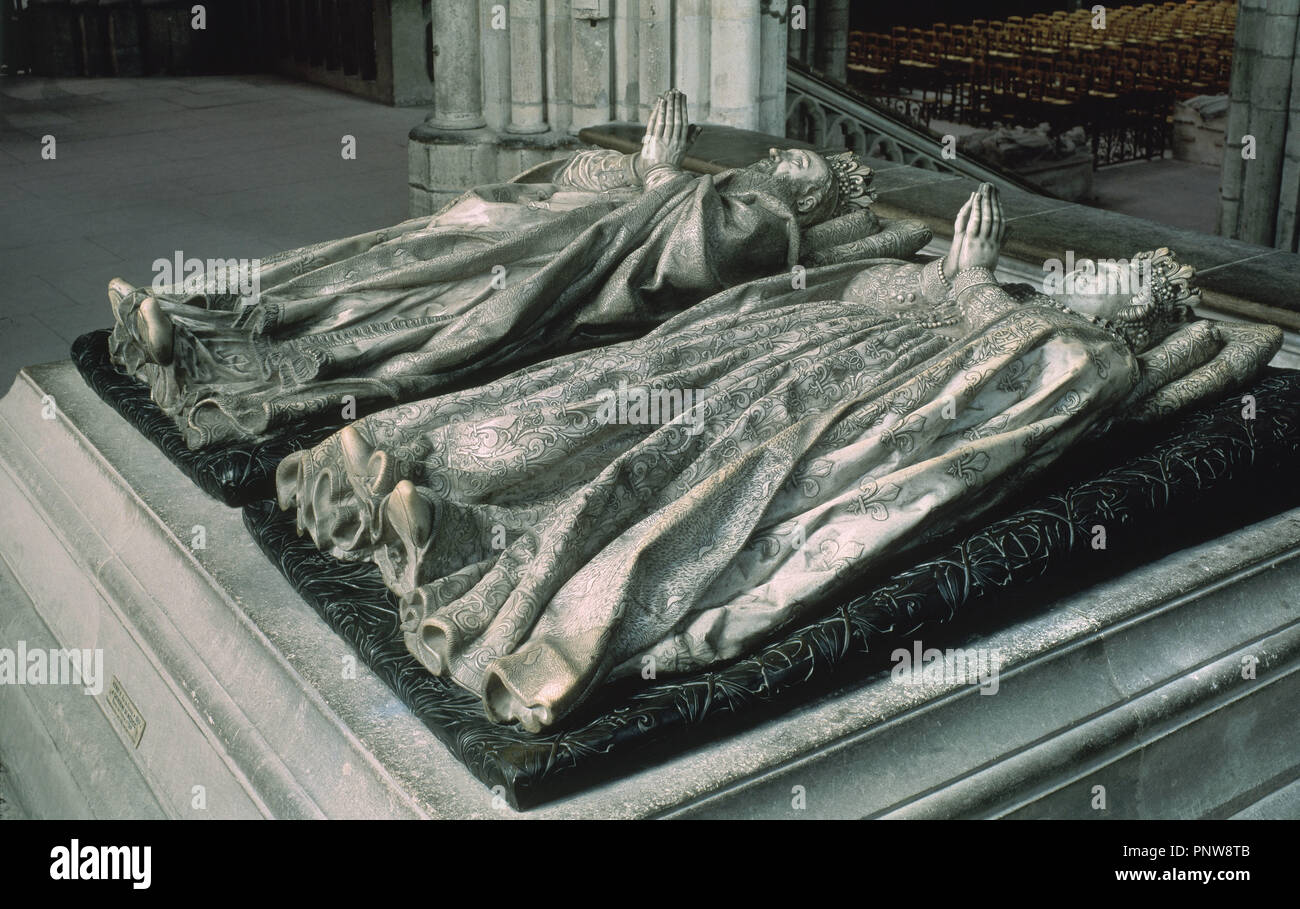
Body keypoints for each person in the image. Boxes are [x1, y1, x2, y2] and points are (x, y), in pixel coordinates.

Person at [275, 183, 1282, 732]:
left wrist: (968, 279)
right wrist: (945, 280)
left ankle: (507, 572)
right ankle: (452, 503)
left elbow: (985, 390)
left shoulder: (1090, 358)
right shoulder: (1018, 313)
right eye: (1104, 269)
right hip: (796, 375)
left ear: (1139, 314)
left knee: (688, 496)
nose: (1091, 278)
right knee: (619, 420)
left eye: (1114, 280)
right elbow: (875, 291)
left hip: (849, 438)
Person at [104, 90, 871, 449]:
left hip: (569, 278)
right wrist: (636, 173)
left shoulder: (773, 227)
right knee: (389, 256)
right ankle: (197, 309)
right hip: (540, 235)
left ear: (813, 197)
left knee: (421, 318)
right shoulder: (736, 188)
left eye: (801, 166)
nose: (781, 159)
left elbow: (685, 265)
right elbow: (599, 190)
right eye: (784, 155)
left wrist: (663, 175)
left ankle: (228, 363)